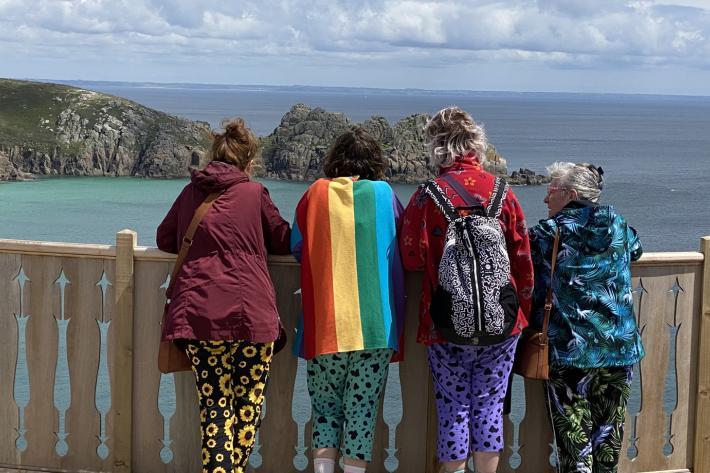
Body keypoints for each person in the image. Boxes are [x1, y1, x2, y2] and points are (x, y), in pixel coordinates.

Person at [399, 106, 534, 473]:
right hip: (500, 319)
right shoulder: (502, 193)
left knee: (454, 408)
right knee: (489, 407)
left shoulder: (428, 196)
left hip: (445, 321)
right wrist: (520, 313)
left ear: (437, 146)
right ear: (476, 143)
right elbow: (522, 257)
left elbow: (411, 256)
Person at [156, 118, 291, 473]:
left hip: (201, 313)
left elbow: (164, 239)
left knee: (215, 406)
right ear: (249, 163)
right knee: (247, 405)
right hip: (253, 314)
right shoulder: (254, 193)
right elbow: (282, 239)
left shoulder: (190, 193)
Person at [290, 127, 406, 473]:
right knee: (362, 414)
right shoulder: (385, 194)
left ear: (335, 159)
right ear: (375, 162)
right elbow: (402, 239)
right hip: (374, 328)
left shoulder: (315, 194)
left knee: (325, 411)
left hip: (327, 324)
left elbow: (296, 245)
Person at [530, 162, 644, 473]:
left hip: (570, 350)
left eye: (550, 191)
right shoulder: (617, 224)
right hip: (618, 348)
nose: (545, 199)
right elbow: (636, 250)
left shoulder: (547, 233)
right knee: (608, 441)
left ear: (571, 194)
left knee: (574, 446)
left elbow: (520, 257)